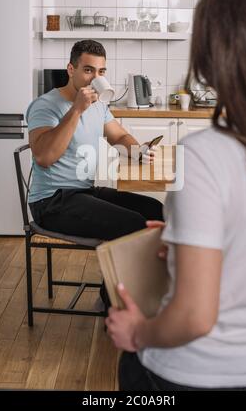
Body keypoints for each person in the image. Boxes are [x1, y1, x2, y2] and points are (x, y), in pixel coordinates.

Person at [106, 0, 246, 391]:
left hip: (197, 374)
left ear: (209, 56)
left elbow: (194, 318)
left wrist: (137, 332)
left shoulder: (204, 154)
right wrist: (188, 239)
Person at [26, 40, 163, 305]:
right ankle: (116, 301)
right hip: (51, 201)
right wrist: (77, 109)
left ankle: (133, 291)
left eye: (101, 72)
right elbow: (44, 156)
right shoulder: (45, 106)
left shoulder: (99, 105)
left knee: (155, 211)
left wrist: (137, 149)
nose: (95, 78)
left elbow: (120, 135)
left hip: (82, 192)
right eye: (88, 70)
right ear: (71, 69)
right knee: (132, 225)